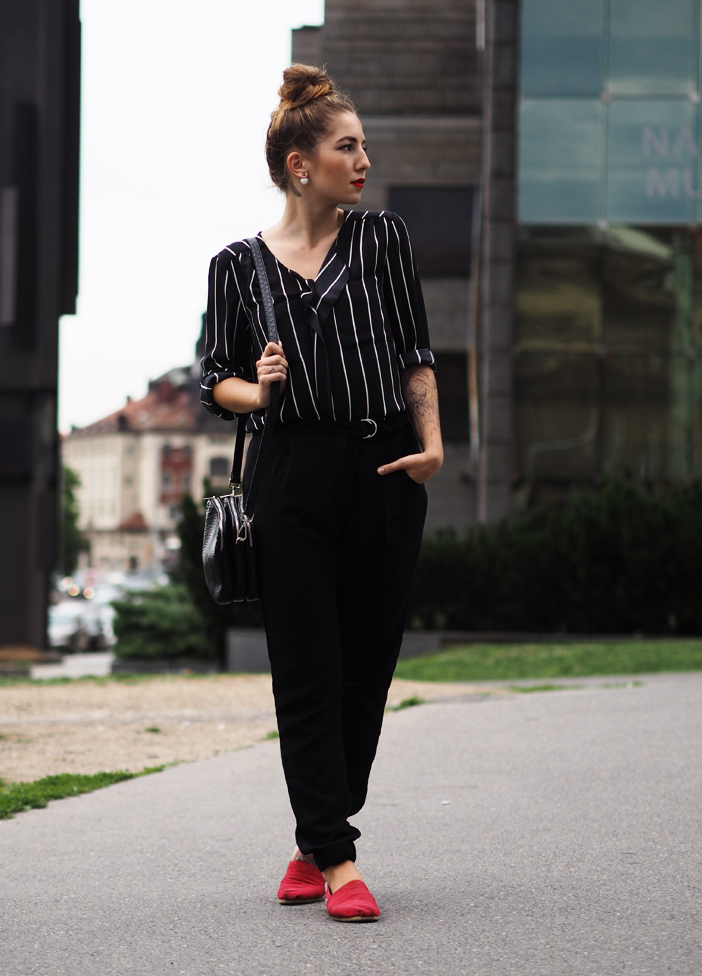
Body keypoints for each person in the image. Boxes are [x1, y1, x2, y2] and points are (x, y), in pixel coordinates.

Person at [200, 64, 442, 923]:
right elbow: (213, 381)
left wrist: (433, 445)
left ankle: (312, 839)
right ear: (300, 165)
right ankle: (339, 860)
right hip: (290, 475)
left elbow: (416, 354)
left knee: (365, 673)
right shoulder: (236, 266)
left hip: (385, 467)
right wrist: (258, 388)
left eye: (364, 145)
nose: (364, 159)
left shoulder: (384, 240)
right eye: (348, 146)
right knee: (307, 668)